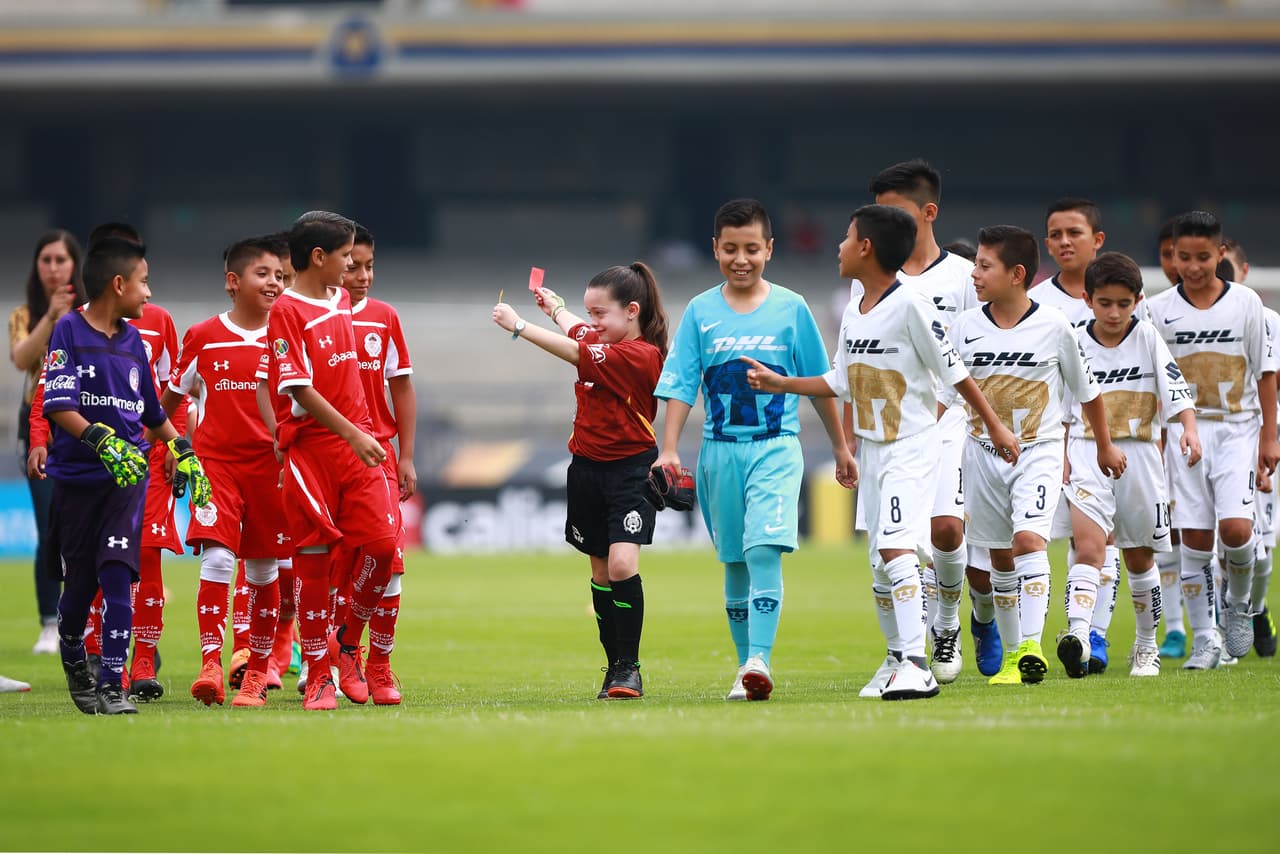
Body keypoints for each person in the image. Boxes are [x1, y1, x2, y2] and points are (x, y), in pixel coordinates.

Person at [743, 204, 1017, 700]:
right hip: (872, 451)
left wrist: (995, 426)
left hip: (911, 447)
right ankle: (895, 659)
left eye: (846, 237)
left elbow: (954, 372)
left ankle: (918, 663)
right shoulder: (855, 310)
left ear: (866, 247)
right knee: (877, 563)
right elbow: (839, 380)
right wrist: (780, 382)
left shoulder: (912, 305)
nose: (839, 246)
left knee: (896, 549)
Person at [653, 198, 854, 701]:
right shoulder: (700, 310)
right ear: (715, 249)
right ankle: (745, 667)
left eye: (750, 249)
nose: (740, 259)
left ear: (769, 248)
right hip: (719, 453)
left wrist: (841, 447)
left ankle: (760, 659)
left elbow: (820, 383)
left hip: (776, 447)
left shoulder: (792, 308)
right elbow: (680, 383)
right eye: (729, 249)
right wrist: (669, 449)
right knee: (735, 563)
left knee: (763, 550)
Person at [949, 225, 1125, 686]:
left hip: (1039, 452)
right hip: (981, 455)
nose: (975, 273)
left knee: (1029, 542)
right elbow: (947, 392)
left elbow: (1089, 393)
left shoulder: (1055, 326)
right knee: (999, 558)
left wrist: (1104, 445)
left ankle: (1031, 644)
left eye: (985, 265)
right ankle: (1012, 659)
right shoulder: (964, 326)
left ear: (1017, 274)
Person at [43, 235, 210, 714]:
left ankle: (113, 685)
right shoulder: (70, 332)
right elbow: (58, 403)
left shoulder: (136, 341)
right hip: (78, 480)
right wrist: (100, 439)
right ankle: (73, 647)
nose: (149, 293)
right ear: (118, 284)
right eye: (144, 282)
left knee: (119, 577)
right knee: (79, 591)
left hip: (128, 479)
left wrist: (182, 448)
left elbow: (153, 411)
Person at [492, 262, 667, 699]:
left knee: (623, 565)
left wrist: (519, 326)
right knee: (601, 574)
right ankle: (614, 669)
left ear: (631, 311)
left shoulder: (640, 355)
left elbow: (576, 350)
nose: (592, 323)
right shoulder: (605, 337)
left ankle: (629, 667)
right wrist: (557, 309)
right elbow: (579, 333)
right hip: (586, 469)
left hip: (629, 470)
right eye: (589, 313)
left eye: (600, 314)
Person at [849, 160, 991, 683]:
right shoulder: (868, 282)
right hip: (884, 430)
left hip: (949, 423)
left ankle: (948, 622)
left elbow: (972, 356)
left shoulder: (961, 278)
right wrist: (847, 440)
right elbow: (855, 366)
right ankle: (900, 655)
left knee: (948, 530)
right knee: (889, 552)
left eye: (896, 212)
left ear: (928, 213)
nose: (884, 223)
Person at [258, 210, 398, 711]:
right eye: (345, 257)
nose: (352, 267)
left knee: (382, 549)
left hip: (355, 447)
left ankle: (345, 644)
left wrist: (361, 434)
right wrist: (353, 433)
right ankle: (318, 674)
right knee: (313, 562)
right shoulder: (285, 312)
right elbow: (297, 386)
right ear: (319, 258)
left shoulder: (340, 299)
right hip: (315, 450)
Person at [161, 236, 293, 707]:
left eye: (280, 275)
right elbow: (170, 401)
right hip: (216, 467)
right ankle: (212, 663)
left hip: (270, 470)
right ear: (233, 282)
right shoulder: (202, 335)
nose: (275, 282)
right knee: (217, 558)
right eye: (264, 274)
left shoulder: (290, 336)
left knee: (262, 570)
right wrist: (174, 448)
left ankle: (257, 672)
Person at [1145, 211, 1279, 669]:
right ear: (1173, 257)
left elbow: (1265, 373)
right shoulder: (1158, 310)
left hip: (1238, 427)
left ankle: (1238, 606)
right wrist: (1158, 438)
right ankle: (1205, 638)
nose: (1194, 266)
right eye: (1184, 257)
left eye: (1204, 257)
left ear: (1221, 254)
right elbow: (1154, 381)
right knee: (1195, 538)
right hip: (1186, 430)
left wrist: (1268, 437)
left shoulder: (1246, 303)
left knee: (1238, 530)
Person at [1058, 252, 1200, 678]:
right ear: (1087, 299)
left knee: (1139, 558)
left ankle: (1145, 645)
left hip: (1139, 457)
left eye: (1124, 303)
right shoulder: (1073, 339)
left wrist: (1189, 429)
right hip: (1087, 453)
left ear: (1138, 300)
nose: (1115, 312)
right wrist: (1062, 456)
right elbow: (1064, 407)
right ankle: (1080, 635)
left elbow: (1176, 391)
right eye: (1105, 303)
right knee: (1089, 547)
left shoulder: (1148, 337)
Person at [1030, 197, 1128, 673]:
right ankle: (1025, 635)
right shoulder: (1036, 303)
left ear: (1098, 239)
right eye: (1056, 234)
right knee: (1030, 543)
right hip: (1048, 438)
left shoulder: (1127, 302)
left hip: (1103, 438)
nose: (1064, 242)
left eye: (1075, 232)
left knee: (1097, 542)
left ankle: (1091, 636)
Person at [335, 224, 416, 704]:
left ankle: (377, 662)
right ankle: (323, 661)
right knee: (328, 566)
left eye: (369, 266)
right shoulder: (311, 316)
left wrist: (405, 454)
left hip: (377, 455)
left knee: (390, 561)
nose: (363, 276)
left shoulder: (384, 317)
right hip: (323, 456)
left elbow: (401, 386)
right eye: (354, 266)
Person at [9, 229, 84, 655]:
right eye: (46, 260)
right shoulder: (24, 314)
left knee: (86, 524)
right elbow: (21, 358)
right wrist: (52, 316)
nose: (53, 268)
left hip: (82, 420)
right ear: (36, 267)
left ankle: (87, 616)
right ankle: (49, 622)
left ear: (76, 264)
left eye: (61, 260)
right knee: (48, 525)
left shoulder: (95, 312)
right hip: (37, 424)